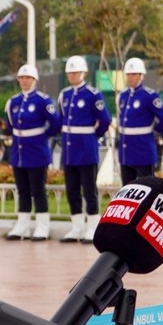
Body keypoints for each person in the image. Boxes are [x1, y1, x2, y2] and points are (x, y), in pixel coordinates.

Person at [3, 63, 61, 241]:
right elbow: (10, 125)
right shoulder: (13, 101)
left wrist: (42, 136)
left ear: (34, 80)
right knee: (23, 190)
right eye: (21, 78)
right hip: (19, 151)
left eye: (28, 78)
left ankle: (42, 226)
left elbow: (55, 123)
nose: (24, 81)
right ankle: (22, 225)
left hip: (37, 151)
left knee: (38, 190)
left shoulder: (43, 100)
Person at [57, 55, 113, 243]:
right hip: (69, 149)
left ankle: (92, 227)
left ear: (83, 73)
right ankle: (77, 227)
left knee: (89, 190)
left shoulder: (93, 94)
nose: (72, 75)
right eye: (69, 72)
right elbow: (61, 119)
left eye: (75, 72)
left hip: (86, 148)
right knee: (72, 190)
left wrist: (93, 136)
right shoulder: (64, 94)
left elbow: (104, 120)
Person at [115, 57, 163, 185]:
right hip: (126, 150)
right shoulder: (122, 96)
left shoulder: (149, 95)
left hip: (143, 149)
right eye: (128, 74)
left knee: (146, 188)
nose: (130, 77)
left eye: (134, 74)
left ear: (141, 76)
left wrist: (155, 133)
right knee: (127, 189)